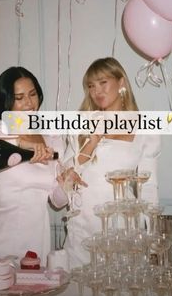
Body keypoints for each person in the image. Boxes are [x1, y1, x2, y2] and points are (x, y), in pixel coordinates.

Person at [63, 57, 161, 269]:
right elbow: (66, 174)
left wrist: (152, 238)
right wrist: (92, 140)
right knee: (79, 294)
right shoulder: (79, 123)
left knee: (122, 293)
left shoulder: (145, 127)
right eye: (91, 86)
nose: (97, 91)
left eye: (103, 82)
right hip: (84, 222)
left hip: (122, 224)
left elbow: (149, 186)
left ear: (121, 82)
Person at [0, 66, 70, 266]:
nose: (28, 103)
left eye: (32, 94)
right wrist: (20, 142)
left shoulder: (51, 137)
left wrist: (68, 181)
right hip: (2, 240)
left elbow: (57, 201)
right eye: (19, 97)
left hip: (38, 240)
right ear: (7, 101)